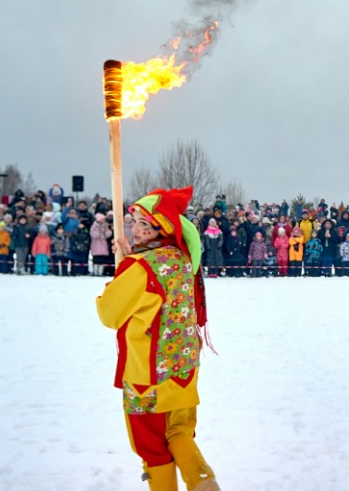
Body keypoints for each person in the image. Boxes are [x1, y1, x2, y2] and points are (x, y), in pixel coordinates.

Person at [96, 187, 217, 491]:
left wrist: (124, 268)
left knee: (152, 449)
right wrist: (128, 261)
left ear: (159, 229)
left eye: (144, 225)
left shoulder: (141, 268)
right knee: (178, 434)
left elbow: (109, 313)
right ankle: (203, 482)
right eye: (134, 221)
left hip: (147, 376)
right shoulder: (181, 259)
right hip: (183, 372)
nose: (135, 230)